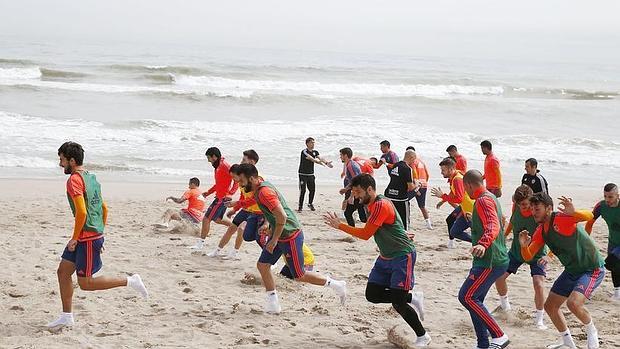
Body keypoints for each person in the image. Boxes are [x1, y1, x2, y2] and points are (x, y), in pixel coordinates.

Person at [47, 142, 148, 328]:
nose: (60, 164)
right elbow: (104, 208)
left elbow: (82, 213)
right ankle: (66, 317)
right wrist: (100, 232)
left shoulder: (74, 180)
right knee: (63, 272)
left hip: (85, 238)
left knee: (85, 283)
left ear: (71, 160)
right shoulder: (92, 178)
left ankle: (131, 280)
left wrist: (76, 238)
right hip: (90, 235)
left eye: (62, 160)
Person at [324, 174, 431, 347]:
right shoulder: (370, 204)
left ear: (370, 189)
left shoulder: (381, 204)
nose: (356, 196)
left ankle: (422, 336)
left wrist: (340, 225)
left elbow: (366, 234)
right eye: (354, 192)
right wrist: (401, 232)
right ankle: (413, 297)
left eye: (358, 192)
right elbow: (392, 223)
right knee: (372, 295)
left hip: (402, 256)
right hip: (384, 257)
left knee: (398, 303)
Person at [236, 163, 347, 313]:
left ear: (252, 179)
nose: (240, 185)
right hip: (280, 233)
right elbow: (274, 215)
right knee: (263, 265)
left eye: (241, 181)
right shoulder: (258, 189)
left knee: (299, 275)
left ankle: (336, 285)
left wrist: (273, 240)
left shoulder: (264, 192)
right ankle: (273, 304)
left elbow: (282, 216)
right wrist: (269, 229)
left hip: (290, 236)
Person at [520, 193, 605, 349]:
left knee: (573, 303)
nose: (533, 212)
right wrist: (524, 245)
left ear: (549, 208)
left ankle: (591, 330)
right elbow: (528, 256)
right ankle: (567, 342)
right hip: (572, 270)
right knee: (550, 306)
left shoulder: (561, 218)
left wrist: (574, 213)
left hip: (591, 268)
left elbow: (589, 215)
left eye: (537, 209)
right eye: (532, 209)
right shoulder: (541, 231)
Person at [458, 170, 510, 349]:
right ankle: (482, 344)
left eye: (466, 189)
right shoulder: (491, 197)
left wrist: (483, 243)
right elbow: (499, 220)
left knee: (467, 297)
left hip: (489, 260)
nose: (466, 193)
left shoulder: (482, 200)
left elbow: (494, 225)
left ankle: (499, 335)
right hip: (494, 258)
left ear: (469, 185)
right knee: (475, 301)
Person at [494, 185, 550, 329]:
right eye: (519, 205)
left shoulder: (538, 214)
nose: (522, 207)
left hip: (537, 254)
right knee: (498, 276)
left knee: (538, 284)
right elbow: (512, 223)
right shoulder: (517, 209)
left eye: (525, 204)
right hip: (516, 252)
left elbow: (551, 234)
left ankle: (539, 319)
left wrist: (550, 255)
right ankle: (505, 307)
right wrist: (504, 237)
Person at [205, 151, 264, 259]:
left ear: (252, 161)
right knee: (232, 228)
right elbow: (243, 196)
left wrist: (236, 203)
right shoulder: (242, 178)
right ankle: (217, 250)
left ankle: (236, 252)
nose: (241, 161)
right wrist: (234, 209)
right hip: (246, 209)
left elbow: (254, 199)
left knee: (250, 233)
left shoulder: (256, 179)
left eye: (243, 160)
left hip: (257, 212)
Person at [190, 147, 238, 251]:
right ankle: (236, 226)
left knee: (206, 219)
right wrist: (208, 192)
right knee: (217, 219)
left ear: (214, 156)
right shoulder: (217, 166)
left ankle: (200, 244)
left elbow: (236, 180)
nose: (208, 160)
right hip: (219, 197)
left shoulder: (225, 166)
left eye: (209, 158)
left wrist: (230, 193)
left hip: (223, 198)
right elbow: (218, 184)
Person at [586, 183, 620, 301]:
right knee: (615, 267)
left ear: (617, 196)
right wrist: (586, 239)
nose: (607, 200)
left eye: (610, 197)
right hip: (613, 241)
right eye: (605, 196)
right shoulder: (601, 206)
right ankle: (617, 293)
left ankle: (588, 290)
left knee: (609, 263)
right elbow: (590, 222)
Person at [431, 157, 475, 249]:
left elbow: (459, 199)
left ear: (451, 169)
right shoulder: (454, 177)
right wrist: (443, 200)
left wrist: (443, 196)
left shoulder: (457, 179)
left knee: (475, 232)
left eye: (443, 170)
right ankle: (476, 242)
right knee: (454, 231)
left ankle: (478, 243)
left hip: (472, 210)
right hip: (465, 209)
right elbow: (453, 193)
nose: (441, 172)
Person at [298, 137, 333, 212]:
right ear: (307, 144)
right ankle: (300, 206)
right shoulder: (304, 151)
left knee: (312, 190)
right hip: (302, 174)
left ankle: (310, 204)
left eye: (314, 142)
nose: (313, 144)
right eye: (311, 142)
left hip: (311, 174)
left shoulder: (315, 152)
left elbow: (320, 158)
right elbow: (311, 159)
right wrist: (318, 162)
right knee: (303, 190)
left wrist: (326, 163)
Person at [385, 150, 416, 230]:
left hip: (389, 195)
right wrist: (417, 185)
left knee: (392, 219)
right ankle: (405, 238)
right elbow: (410, 187)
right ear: (411, 157)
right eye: (414, 159)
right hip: (400, 198)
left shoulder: (396, 165)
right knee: (404, 221)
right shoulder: (407, 169)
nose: (413, 162)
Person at [339, 147, 367, 227]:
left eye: (341, 155)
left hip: (359, 194)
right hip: (359, 193)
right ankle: (354, 234)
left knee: (349, 214)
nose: (340, 157)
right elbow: (353, 180)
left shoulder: (351, 165)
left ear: (345, 155)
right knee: (361, 217)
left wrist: (351, 196)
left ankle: (353, 233)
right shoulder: (349, 164)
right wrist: (346, 189)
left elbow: (357, 182)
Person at [408, 150, 433, 230]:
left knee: (405, 201)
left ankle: (407, 221)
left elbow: (414, 175)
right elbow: (427, 174)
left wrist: (416, 188)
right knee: (422, 206)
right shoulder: (421, 162)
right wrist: (424, 184)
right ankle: (428, 224)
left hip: (417, 186)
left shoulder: (412, 163)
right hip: (424, 185)